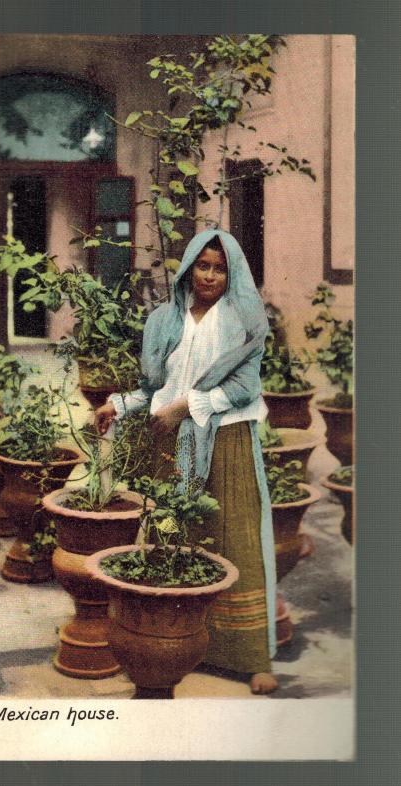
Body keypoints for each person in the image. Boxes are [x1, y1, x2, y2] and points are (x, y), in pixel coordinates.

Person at [95, 229, 278, 694]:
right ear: (189, 268)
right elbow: (157, 388)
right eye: (203, 265)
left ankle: (250, 656)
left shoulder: (242, 321)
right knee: (173, 534)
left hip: (227, 440)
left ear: (230, 273)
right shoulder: (164, 320)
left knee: (234, 537)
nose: (210, 275)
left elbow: (244, 390)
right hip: (171, 441)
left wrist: (184, 408)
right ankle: (175, 642)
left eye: (220, 268)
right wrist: (117, 404)